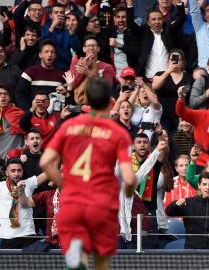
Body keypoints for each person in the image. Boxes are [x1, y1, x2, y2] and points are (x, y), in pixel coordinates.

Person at [39, 79, 136, 270]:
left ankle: (77, 261)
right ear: (110, 100)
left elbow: (45, 162)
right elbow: (130, 178)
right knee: (101, 263)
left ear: (87, 100)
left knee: (78, 259)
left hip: (72, 205)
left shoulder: (68, 127)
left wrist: (63, 185)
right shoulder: (118, 132)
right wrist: (129, 193)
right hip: (102, 206)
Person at [0, 158, 47, 249]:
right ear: (6, 173)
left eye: (19, 170)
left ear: (22, 171)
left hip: (28, 234)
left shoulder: (28, 184)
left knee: (31, 263)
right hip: (8, 236)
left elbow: (48, 173)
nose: (16, 174)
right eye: (13, 171)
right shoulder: (0, 187)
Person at [165, 172, 209, 249]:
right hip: (192, 250)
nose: (207, 188)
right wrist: (175, 204)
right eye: (204, 184)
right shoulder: (189, 202)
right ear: (199, 185)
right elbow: (168, 212)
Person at [15, 39, 66, 111]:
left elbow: (67, 97)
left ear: (55, 55)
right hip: (35, 117)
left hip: (55, 118)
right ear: (40, 55)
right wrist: (28, 111)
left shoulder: (61, 75)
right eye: (46, 52)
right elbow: (19, 93)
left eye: (52, 52)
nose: (49, 54)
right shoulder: (30, 72)